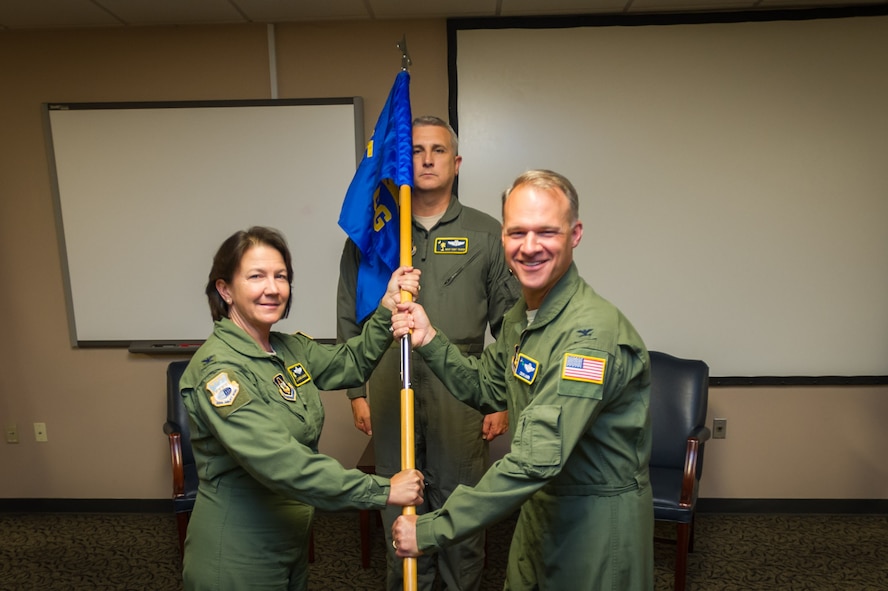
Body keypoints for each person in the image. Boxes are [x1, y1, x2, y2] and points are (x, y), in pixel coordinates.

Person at [390, 170, 654, 589]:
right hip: (538, 511)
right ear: (503, 238)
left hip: (595, 526)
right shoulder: (524, 317)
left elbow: (535, 460)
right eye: (517, 233)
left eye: (546, 232)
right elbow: (486, 387)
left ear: (575, 234)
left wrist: (431, 529)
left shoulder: (589, 336)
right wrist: (430, 340)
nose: (529, 248)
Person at [179, 226, 425, 591]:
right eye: (256, 276)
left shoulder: (287, 348)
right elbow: (284, 463)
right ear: (225, 289)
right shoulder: (220, 373)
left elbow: (349, 364)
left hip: (289, 546)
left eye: (281, 276)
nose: (273, 288)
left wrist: (385, 307)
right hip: (236, 556)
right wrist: (383, 490)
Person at [336, 116, 520, 590]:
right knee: (399, 500)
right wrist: (356, 391)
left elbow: (511, 324)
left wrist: (498, 397)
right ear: (402, 160)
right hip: (386, 377)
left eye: (438, 150)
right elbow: (348, 316)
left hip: (460, 386)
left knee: (461, 501)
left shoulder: (486, 234)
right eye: (416, 150)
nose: (427, 159)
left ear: (455, 163)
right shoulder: (375, 234)